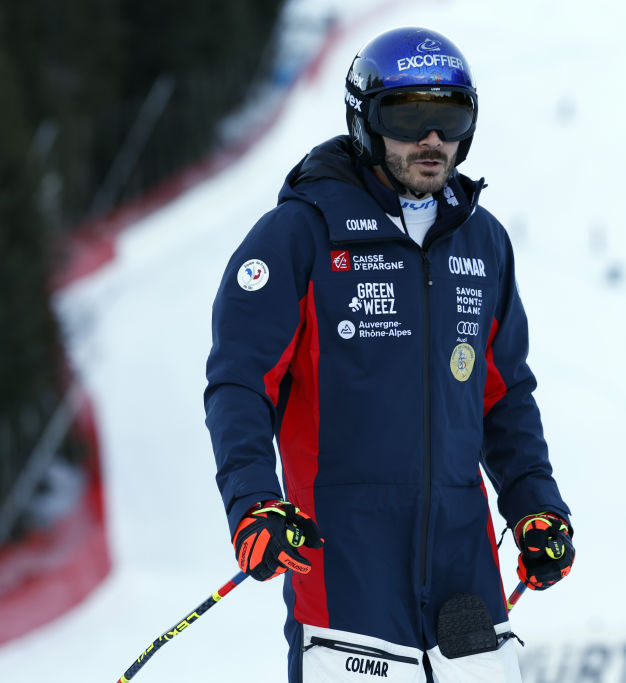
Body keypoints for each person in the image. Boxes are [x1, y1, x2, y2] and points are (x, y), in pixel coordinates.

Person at [204, 26, 574, 683]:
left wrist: (534, 504)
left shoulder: (482, 243)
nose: (433, 139)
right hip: (345, 564)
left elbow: (504, 394)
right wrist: (253, 502)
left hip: (464, 569)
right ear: (365, 120)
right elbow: (238, 381)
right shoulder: (300, 234)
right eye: (410, 118)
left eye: (450, 118)